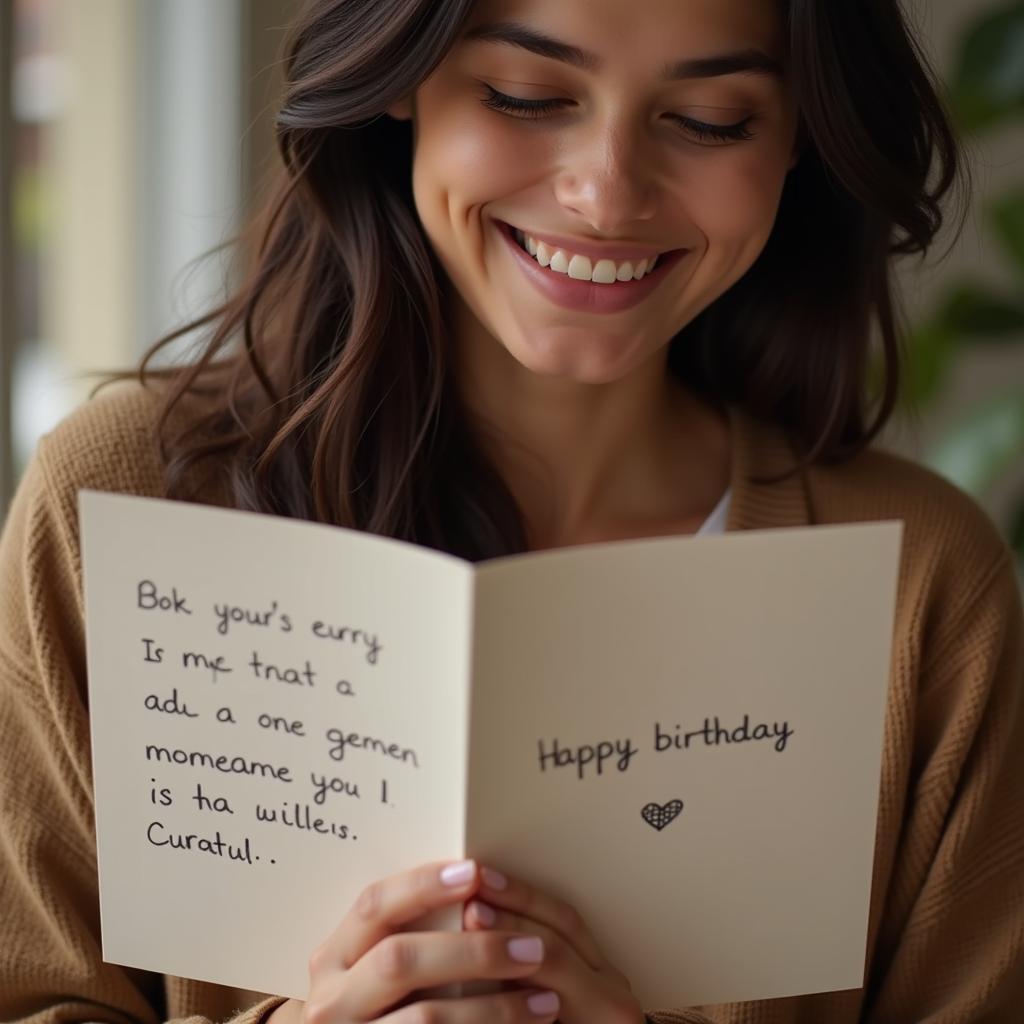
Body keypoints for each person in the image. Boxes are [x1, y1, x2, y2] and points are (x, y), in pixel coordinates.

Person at [1, 0, 1022, 1021]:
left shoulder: (918, 586)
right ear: (399, 78)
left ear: (801, 133)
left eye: (711, 118)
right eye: (525, 96)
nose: (605, 193)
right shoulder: (120, 500)